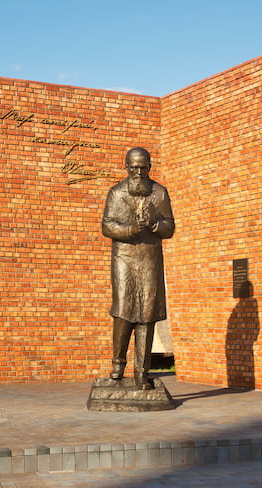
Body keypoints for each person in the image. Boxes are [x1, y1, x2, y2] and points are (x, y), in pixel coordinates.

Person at [102, 147, 175, 389]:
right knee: (123, 311)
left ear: (150, 167)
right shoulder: (116, 193)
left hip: (150, 260)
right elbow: (107, 226)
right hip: (124, 258)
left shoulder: (160, 193)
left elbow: (170, 228)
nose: (139, 172)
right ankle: (117, 364)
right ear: (126, 166)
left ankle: (142, 371)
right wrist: (131, 229)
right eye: (134, 167)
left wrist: (154, 224)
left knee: (147, 314)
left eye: (143, 167)